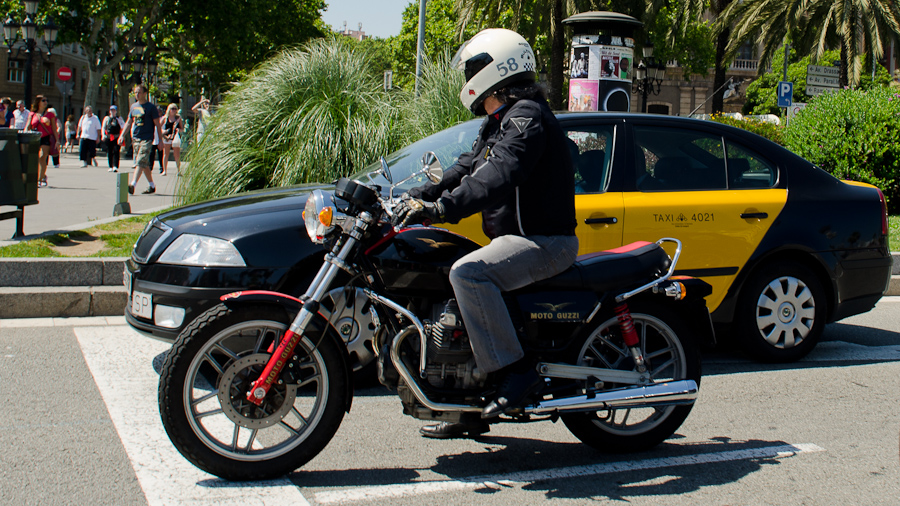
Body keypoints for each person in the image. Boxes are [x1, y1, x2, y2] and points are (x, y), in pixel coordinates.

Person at [392, 28, 579, 439]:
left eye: (473, 68)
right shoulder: (500, 122)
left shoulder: (527, 116)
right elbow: (465, 168)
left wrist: (443, 209)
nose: (468, 78)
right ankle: (465, 406)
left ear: (495, 69)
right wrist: (415, 195)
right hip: (514, 242)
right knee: (446, 278)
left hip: (544, 243)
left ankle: (516, 373)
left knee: (468, 274)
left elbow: (500, 174)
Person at [119, 83, 163, 194]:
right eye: (135, 92)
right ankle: (152, 186)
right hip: (136, 138)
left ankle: (133, 184)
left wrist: (160, 141)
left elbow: (157, 124)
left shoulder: (151, 108)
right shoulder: (134, 106)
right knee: (144, 163)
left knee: (140, 161)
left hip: (147, 138)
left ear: (145, 93)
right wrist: (122, 135)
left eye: (139, 92)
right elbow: (129, 122)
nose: (137, 94)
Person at [23, 95, 57, 187]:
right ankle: (42, 175)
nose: (45, 102)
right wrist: (25, 133)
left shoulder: (50, 115)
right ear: (38, 102)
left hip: (45, 137)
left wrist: (57, 140)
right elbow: (28, 126)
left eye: (46, 100)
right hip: (34, 137)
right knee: (36, 159)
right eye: (43, 100)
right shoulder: (32, 114)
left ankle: (39, 179)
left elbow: (54, 128)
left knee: (42, 156)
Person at [160, 103, 183, 175]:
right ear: (169, 109)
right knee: (165, 154)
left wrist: (179, 130)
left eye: (175, 109)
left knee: (176, 155)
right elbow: (158, 127)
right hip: (167, 138)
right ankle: (164, 170)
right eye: (172, 108)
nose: (174, 110)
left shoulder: (178, 118)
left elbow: (182, 128)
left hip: (175, 138)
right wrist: (163, 132)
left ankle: (179, 170)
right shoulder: (165, 118)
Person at [101, 105, 125, 172]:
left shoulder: (119, 118)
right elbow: (103, 127)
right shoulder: (106, 118)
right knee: (109, 151)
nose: (112, 111)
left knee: (116, 151)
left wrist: (122, 136)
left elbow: (123, 127)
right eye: (111, 110)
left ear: (116, 111)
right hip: (109, 137)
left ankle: (115, 166)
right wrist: (103, 135)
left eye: (114, 110)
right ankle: (110, 166)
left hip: (116, 136)